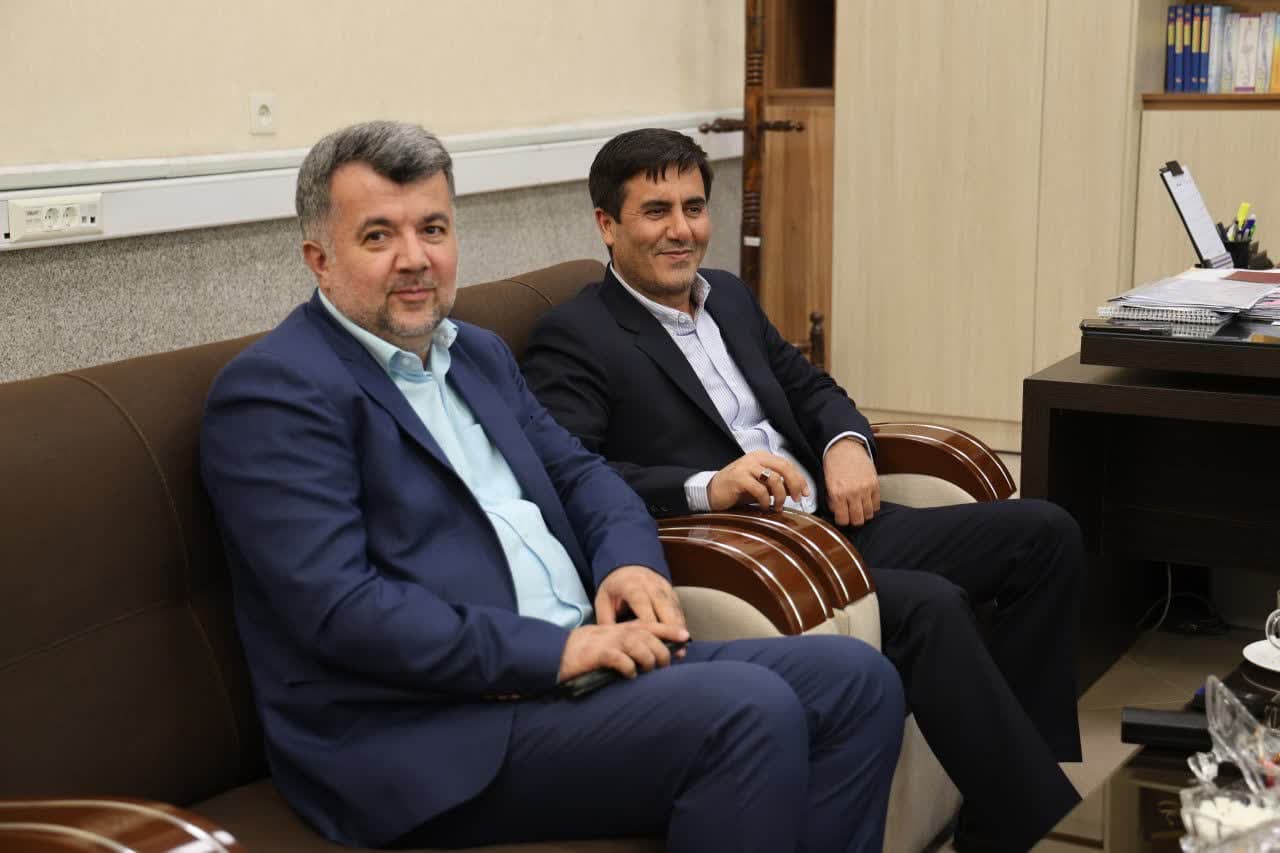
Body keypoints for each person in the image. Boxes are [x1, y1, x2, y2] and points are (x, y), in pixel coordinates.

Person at [200, 120, 905, 852]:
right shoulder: (277, 393)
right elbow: (340, 611)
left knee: (859, 683)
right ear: (319, 259)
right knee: (749, 712)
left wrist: (630, 563)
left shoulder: (474, 354)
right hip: (429, 727)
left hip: (583, 660)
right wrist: (555, 653)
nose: (415, 259)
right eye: (378, 236)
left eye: (433, 229)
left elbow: (582, 474)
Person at [520, 127, 1086, 852]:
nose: (681, 230)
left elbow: (811, 388)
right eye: (656, 211)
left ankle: (1003, 807)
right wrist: (707, 485)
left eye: (694, 207)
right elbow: (575, 471)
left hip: (841, 519)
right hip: (763, 558)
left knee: (1046, 533)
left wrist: (847, 444)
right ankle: (1042, 826)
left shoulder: (727, 295)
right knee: (932, 606)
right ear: (607, 223)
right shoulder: (576, 335)